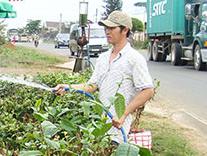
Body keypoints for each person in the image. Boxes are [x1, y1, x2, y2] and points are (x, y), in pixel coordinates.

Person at [53, 11, 154, 145]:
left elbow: (148, 90)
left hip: (118, 128)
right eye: (106, 28)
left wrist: (123, 114)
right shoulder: (103, 57)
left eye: (112, 28)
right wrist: (68, 87)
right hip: (101, 126)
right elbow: (92, 86)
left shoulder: (134, 59)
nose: (107, 31)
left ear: (125, 30)